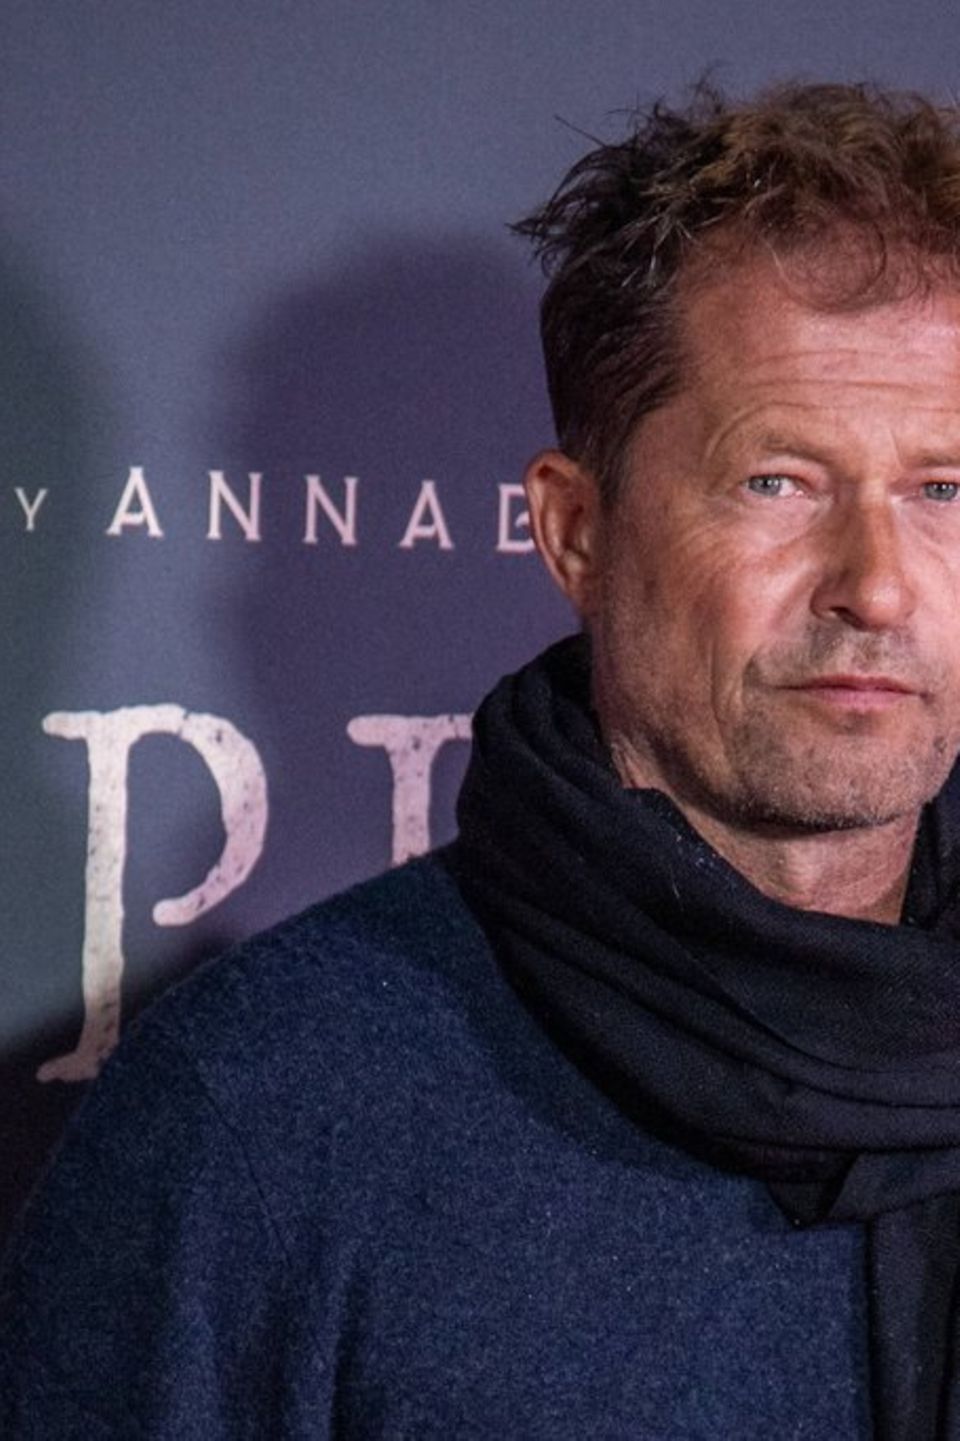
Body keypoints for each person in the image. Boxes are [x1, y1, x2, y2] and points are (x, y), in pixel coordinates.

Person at [4, 78, 960, 1440]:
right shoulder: (268, 1105)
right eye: (779, 481)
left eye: (943, 489)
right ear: (576, 534)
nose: (877, 584)